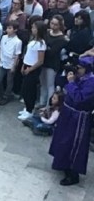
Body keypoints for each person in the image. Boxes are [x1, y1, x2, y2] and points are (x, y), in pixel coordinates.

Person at [50, 56, 94, 186]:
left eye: (79, 68)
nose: (77, 70)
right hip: (68, 113)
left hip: (79, 118)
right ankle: (62, 163)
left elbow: (79, 98)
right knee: (62, 140)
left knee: (73, 144)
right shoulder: (80, 77)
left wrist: (71, 83)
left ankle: (73, 174)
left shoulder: (91, 83)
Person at [18, 21, 47, 121]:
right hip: (27, 64)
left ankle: (30, 110)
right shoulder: (32, 40)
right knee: (24, 89)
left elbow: (40, 61)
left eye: (34, 28)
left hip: (33, 68)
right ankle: (27, 107)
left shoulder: (41, 44)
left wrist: (30, 69)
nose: (32, 29)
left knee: (29, 90)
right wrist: (23, 65)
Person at [0, 22, 22, 105]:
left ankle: (6, 96)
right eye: (7, 28)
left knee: (9, 81)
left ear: (15, 30)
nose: (7, 30)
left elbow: (17, 55)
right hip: (2, 61)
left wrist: (14, 66)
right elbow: (0, 49)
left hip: (11, 63)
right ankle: (0, 93)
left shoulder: (18, 41)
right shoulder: (4, 37)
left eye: (10, 28)